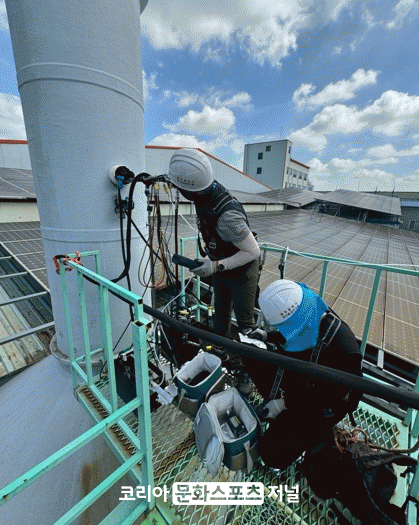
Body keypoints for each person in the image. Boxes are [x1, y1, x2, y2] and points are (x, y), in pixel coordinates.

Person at [244, 279, 363, 470]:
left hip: (324, 402)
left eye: (282, 326)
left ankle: (300, 429)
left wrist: (285, 403)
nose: (280, 330)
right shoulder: (311, 315)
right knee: (251, 355)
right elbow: (292, 332)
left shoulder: (345, 352)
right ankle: (275, 407)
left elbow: (331, 397)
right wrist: (267, 336)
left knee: (272, 454)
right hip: (305, 376)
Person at [167, 148, 260, 393]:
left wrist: (215, 265)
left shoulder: (227, 216)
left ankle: (247, 370)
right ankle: (218, 351)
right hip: (221, 265)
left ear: (191, 190)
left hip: (241, 272)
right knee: (220, 311)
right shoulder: (206, 197)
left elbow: (253, 252)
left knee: (245, 325)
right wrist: (211, 259)